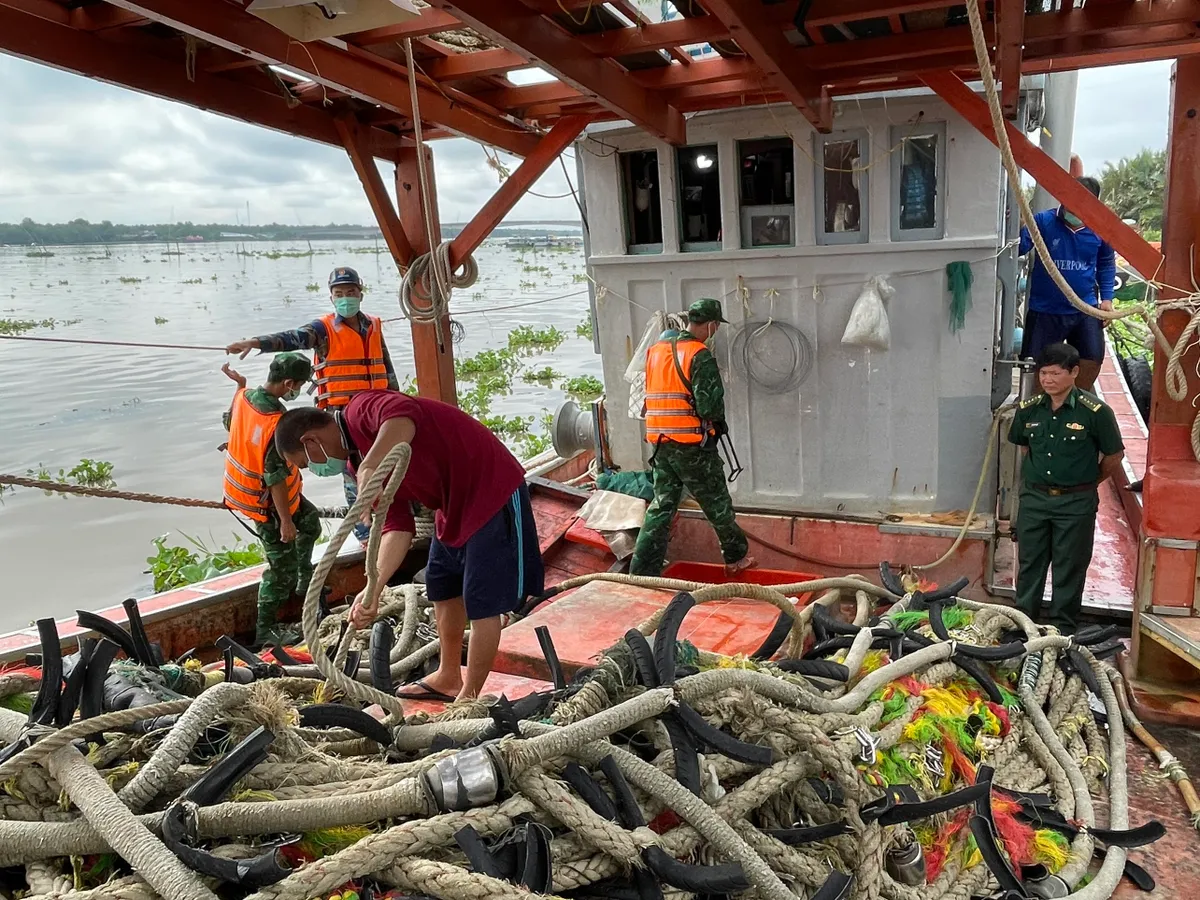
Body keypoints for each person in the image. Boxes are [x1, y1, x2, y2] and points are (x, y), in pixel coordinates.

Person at [274, 390, 543, 702]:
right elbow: (397, 527)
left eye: (306, 464)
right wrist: (373, 589)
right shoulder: (356, 463)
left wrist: (370, 466)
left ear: (311, 442)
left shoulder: (361, 410)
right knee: (441, 587)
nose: (314, 469)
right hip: (450, 507)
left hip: (490, 491)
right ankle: (449, 675)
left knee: (483, 602)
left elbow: (405, 415)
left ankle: (469, 697)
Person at [225, 266, 400, 542]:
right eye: (339, 293)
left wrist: (396, 401)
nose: (346, 298)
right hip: (341, 417)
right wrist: (257, 342)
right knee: (353, 472)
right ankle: (366, 534)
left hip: (376, 411)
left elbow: (386, 369)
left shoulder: (373, 325)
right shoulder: (323, 330)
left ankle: (392, 522)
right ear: (332, 298)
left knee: (387, 464)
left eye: (351, 292)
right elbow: (292, 337)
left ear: (360, 293)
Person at [630, 298, 755, 578]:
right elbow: (709, 406)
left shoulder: (656, 351)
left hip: (660, 443)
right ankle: (736, 558)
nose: (716, 331)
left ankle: (641, 572)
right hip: (691, 445)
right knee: (716, 502)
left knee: (662, 505)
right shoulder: (699, 355)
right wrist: (716, 424)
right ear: (711, 324)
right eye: (716, 326)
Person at [1008, 342, 1125, 634]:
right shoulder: (1029, 411)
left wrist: (1088, 482)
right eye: (1043, 373)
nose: (1047, 380)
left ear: (1074, 372)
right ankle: (1023, 625)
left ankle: (1062, 629)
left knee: (1069, 568)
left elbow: (1114, 456)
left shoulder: (1095, 412)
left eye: (1055, 373)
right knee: (1029, 564)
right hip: (1035, 500)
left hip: (1076, 503)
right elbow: (1025, 448)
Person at [221, 353, 321, 648]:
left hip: (273, 498)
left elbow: (230, 424)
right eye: (300, 384)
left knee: (312, 524)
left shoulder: (245, 396)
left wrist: (238, 385)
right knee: (279, 569)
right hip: (268, 506)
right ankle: (266, 629)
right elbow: (274, 477)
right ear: (289, 383)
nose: (299, 389)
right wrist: (286, 523)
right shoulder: (277, 423)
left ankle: (306, 583)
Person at [1019, 175, 1116, 392]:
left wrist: (1107, 299)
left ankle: (1075, 403)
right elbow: (1018, 247)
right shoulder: (1043, 222)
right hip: (1045, 310)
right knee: (1038, 363)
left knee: (1092, 357)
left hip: (1084, 308)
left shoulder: (1101, 229)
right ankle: (1039, 406)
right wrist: (1016, 224)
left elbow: (1106, 264)